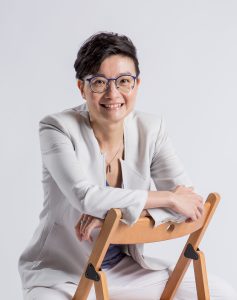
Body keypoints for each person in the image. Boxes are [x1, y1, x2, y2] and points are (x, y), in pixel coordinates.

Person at [18, 32, 237, 300]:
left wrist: (112, 217)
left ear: (136, 84)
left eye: (123, 81)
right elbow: (85, 197)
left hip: (127, 269)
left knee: (224, 294)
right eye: (99, 82)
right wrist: (166, 198)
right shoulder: (57, 128)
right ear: (81, 88)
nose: (113, 94)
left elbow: (190, 205)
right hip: (64, 273)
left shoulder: (151, 129)